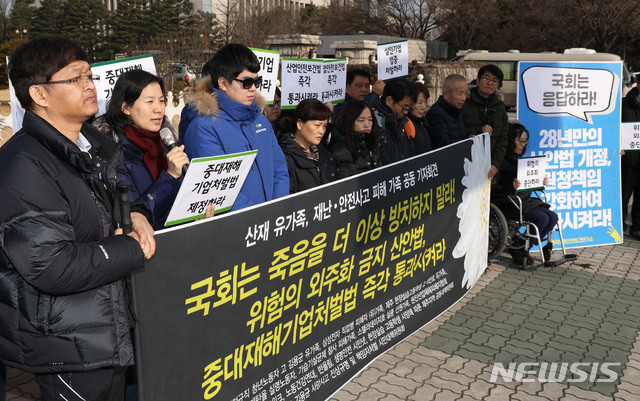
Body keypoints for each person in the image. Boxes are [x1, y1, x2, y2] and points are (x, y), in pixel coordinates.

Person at [0, 36, 155, 401]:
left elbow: (117, 201)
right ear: (39, 94)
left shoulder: (94, 147)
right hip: (67, 344)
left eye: (89, 75)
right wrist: (130, 248)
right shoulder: (23, 165)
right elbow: (51, 265)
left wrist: (137, 213)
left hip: (107, 329)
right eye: (75, 78)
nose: (90, 86)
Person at [93, 70, 211, 229]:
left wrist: (192, 217)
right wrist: (169, 176)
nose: (159, 109)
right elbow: (132, 218)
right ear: (126, 108)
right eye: (149, 102)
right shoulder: (113, 154)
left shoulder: (166, 142)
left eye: (161, 101)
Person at [183, 43, 289, 211]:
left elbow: (279, 168)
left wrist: (278, 209)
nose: (253, 88)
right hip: (239, 223)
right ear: (223, 83)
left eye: (257, 81)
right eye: (247, 82)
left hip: (270, 220)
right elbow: (218, 190)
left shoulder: (260, 121)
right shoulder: (204, 128)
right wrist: (261, 216)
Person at [493, 123, 557, 266]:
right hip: (507, 201)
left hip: (524, 200)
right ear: (511, 140)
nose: (523, 144)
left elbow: (527, 182)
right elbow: (491, 188)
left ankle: (522, 244)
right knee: (541, 218)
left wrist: (540, 181)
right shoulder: (499, 161)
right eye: (520, 141)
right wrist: (510, 186)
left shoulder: (521, 161)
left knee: (553, 217)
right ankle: (520, 247)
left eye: (525, 141)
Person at [278, 99, 339, 193]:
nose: (321, 131)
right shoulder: (284, 157)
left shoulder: (323, 152)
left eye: (324, 126)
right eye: (317, 125)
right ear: (300, 124)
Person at [462, 64, 509, 180]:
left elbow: (503, 138)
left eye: (494, 80)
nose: (490, 83)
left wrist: (495, 164)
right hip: (466, 165)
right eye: (486, 78)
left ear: (498, 85)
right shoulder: (464, 102)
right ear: (478, 81)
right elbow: (456, 131)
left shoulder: (499, 107)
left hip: (489, 167)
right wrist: (479, 130)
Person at [329, 99, 381, 177]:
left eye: (370, 120)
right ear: (349, 121)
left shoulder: (373, 139)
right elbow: (351, 181)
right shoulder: (340, 147)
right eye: (361, 120)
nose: (367, 124)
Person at [373, 78, 417, 165]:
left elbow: (411, 151)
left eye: (409, 108)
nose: (406, 112)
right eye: (404, 108)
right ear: (389, 101)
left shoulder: (404, 121)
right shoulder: (375, 121)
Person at [426, 74, 470, 149]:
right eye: (460, 93)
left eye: (466, 94)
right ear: (446, 95)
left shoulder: (458, 110)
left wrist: (469, 138)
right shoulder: (435, 113)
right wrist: (467, 142)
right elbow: (444, 143)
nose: (463, 98)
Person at [621, 85, 640, 238]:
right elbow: (613, 127)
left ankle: (637, 228)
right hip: (627, 158)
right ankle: (619, 226)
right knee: (623, 194)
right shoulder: (623, 104)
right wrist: (617, 144)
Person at [408, 82, 433, 154]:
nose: (424, 107)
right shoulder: (404, 125)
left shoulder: (423, 123)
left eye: (425, 102)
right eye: (420, 102)